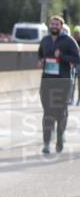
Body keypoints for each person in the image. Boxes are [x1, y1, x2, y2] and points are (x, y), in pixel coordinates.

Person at [36, 16, 80, 154]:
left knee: (61, 112)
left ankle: (60, 137)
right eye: (52, 23)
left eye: (57, 24)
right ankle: (46, 143)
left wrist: (62, 57)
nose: (54, 26)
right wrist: (41, 61)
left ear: (62, 26)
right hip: (47, 80)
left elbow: (77, 58)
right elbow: (40, 54)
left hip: (63, 81)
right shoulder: (45, 40)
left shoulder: (68, 41)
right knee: (47, 112)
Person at [72, 25, 80, 105]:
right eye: (75, 33)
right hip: (74, 64)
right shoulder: (72, 41)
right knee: (72, 83)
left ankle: (79, 100)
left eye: (78, 33)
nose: (76, 35)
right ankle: (71, 99)